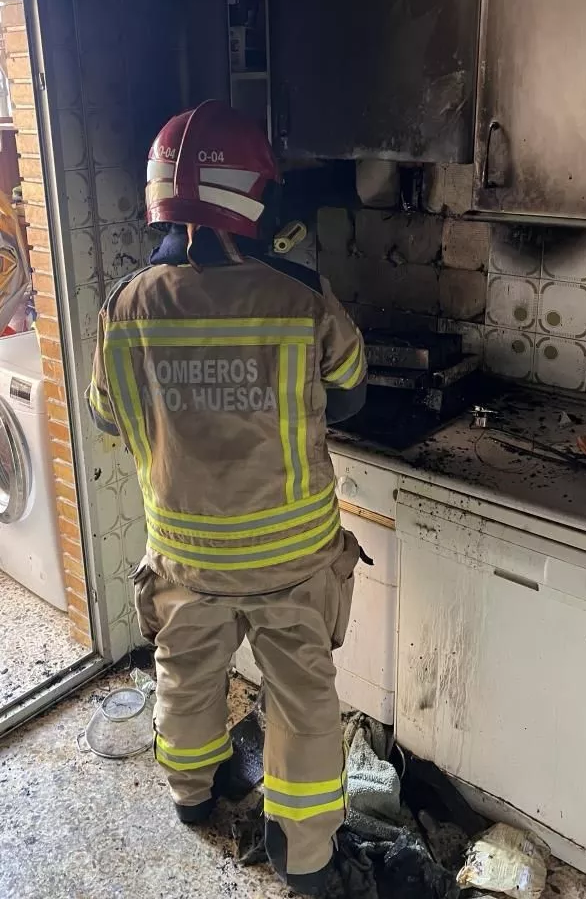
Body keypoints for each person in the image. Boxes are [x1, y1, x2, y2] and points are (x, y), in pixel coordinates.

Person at [86, 100, 367, 897]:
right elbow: (349, 397)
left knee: (185, 675)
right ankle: (306, 858)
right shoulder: (300, 296)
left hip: (185, 554)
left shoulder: (124, 306)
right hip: (290, 557)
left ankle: (191, 794)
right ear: (252, 197)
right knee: (303, 698)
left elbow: (110, 414)